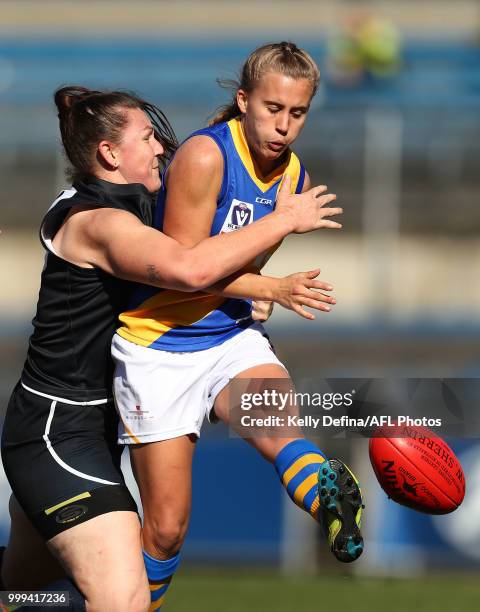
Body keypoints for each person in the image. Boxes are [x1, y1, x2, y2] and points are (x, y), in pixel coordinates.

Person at [0, 85, 343, 611]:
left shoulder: (141, 204)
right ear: (110, 155)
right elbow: (190, 269)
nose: (162, 145)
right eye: (146, 138)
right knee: (122, 597)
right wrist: (284, 221)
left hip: (100, 422)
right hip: (60, 430)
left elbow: (197, 262)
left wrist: (262, 289)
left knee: (24, 591)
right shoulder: (99, 222)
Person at [112, 41, 363, 611]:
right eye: (272, 109)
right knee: (167, 530)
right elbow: (183, 269)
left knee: (278, 429)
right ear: (244, 100)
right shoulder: (206, 156)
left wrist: (259, 292)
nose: (284, 126)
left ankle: (329, 496)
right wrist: (271, 288)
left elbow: (237, 268)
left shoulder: (292, 174)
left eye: (297, 113)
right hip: (160, 346)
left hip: (227, 334)